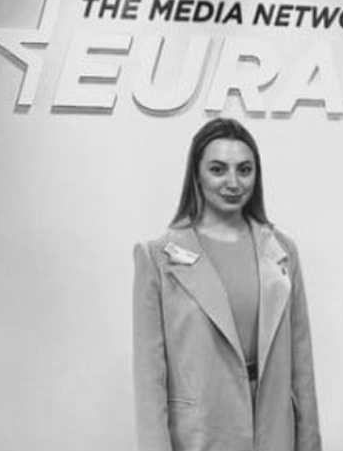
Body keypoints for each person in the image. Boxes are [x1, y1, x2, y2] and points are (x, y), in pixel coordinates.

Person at [133, 117, 321, 451]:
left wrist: (309, 443)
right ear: (197, 175)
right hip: (200, 434)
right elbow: (150, 380)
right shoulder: (157, 257)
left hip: (273, 431)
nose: (233, 182)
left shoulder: (282, 250)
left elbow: (301, 366)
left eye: (244, 170)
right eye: (218, 169)